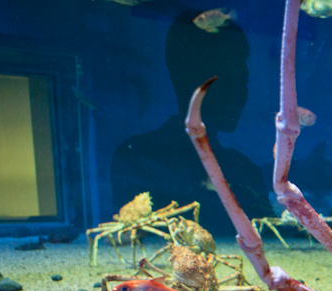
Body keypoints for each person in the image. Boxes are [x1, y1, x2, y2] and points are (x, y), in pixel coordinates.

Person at [110, 10, 274, 238]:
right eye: (231, 79)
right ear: (188, 79)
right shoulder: (137, 160)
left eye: (243, 80)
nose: (240, 93)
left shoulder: (245, 172)